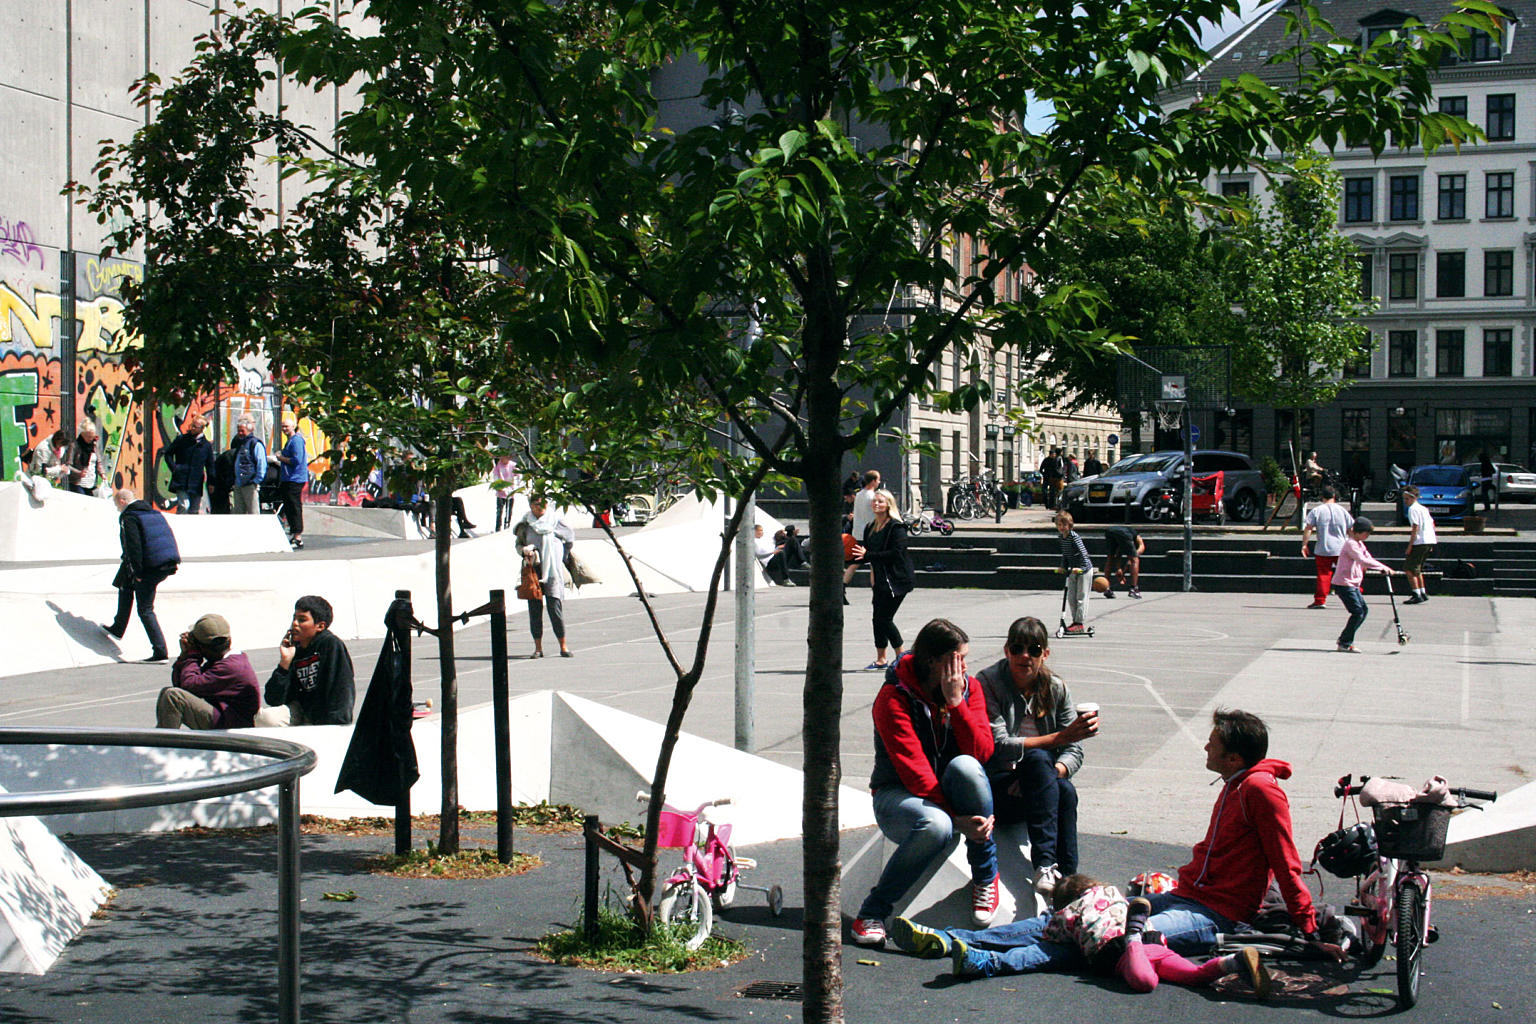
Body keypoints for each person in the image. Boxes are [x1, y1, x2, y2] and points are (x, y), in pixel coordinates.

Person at [890, 873, 1272, 998]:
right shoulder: (1112, 894)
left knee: (1143, 981)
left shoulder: (1065, 915)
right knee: (1190, 974)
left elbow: (1051, 930)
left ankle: (956, 943)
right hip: (1148, 945)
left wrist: (1060, 920)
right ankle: (1234, 962)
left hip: (1124, 949)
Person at [852, 619, 998, 946]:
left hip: (947, 789)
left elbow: (983, 753)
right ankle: (871, 913)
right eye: (958, 658)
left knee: (965, 767)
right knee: (936, 826)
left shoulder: (968, 688)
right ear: (934, 661)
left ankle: (986, 875)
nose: (965, 666)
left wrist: (957, 703)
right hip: (898, 795)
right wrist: (957, 820)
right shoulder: (893, 697)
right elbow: (913, 771)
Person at [977, 616, 1098, 895]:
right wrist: (1060, 738)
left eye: (1033, 650)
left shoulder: (1056, 688)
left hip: (1038, 786)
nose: (1024, 656)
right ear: (1007, 650)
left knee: (1063, 788)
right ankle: (1045, 863)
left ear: (1045, 654)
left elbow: (1074, 749)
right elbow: (999, 744)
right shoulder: (989, 683)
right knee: (1037, 759)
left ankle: (1069, 883)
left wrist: (1046, 777)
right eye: (1017, 648)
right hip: (998, 787)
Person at [101, 488, 180, 662]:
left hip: (149, 567)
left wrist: (137, 572)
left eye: (116, 505)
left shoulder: (129, 517)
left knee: (145, 609)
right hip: (164, 563)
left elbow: (133, 546)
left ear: (122, 501)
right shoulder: (151, 512)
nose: (117, 509)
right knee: (125, 584)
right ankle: (118, 627)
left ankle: (160, 651)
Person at [258, 595, 355, 725]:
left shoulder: (330, 645)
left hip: (324, 716)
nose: (294, 624)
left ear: (320, 626)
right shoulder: (294, 649)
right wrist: (285, 662)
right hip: (301, 711)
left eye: (302, 620)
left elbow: (341, 690)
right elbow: (273, 699)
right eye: (294, 618)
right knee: (265, 718)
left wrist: (334, 725)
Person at [156, 613, 259, 729]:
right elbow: (180, 683)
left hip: (233, 727)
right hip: (225, 718)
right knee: (168, 692)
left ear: (203, 647)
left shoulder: (230, 667)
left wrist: (191, 655)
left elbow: (189, 684)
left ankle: (166, 743)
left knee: (173, 697)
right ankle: (161, 737)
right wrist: (184, 656)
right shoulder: (222, 660)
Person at [852, 488, 914, 670]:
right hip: (880, 579)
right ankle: (881, 659)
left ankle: (902, 656)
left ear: (888, 504)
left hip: (897, 578)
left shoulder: (896, 527)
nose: (876, 504)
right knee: (877, 619)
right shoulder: (870, 527)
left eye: (881, 501)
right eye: (875, 501)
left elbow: (897, 553)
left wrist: (869, 554)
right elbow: (866, 554)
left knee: (884, 618)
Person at [1331, 516, 1399, 653]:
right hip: (1344, 583)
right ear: (1357, 532)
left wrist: (1383, 567)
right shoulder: (1350, 544)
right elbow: (1362, 560)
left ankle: (1344, 640)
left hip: (1352, 583)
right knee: (1357, 612)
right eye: (1365, 533)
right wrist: (1382, 568)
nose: (1367, 535)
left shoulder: (1359, 544)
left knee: (1363, 610)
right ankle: (1344, 642)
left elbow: (1368, 558)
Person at [516, 495, 574, 658]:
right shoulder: (525, 524)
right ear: (530, 506)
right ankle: (538, 648)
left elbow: (569, 539)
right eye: (536, 504)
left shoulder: (555, 520)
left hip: (553, 572)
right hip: (533, 571)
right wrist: (524, 551)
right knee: (534, 609)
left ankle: (563, 646)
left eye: (543, 504)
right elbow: (518, 545)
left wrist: (562, 555)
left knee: (555, 608)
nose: (539, 507)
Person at [1300, 485, 1352, 609]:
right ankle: (1353, 596)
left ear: (1322, 497)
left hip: (1323, 548)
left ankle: (1320, 600)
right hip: (1341, 548)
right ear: (1334, 496)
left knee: (1324, 574)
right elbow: (1351, 529)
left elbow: (1308, 528)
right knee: (1346, 573)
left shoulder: (1317, 511)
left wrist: (1304, 544)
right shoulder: (1342, 510)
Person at [164, 414, 214, 514]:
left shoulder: (206, 445)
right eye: (192, 425)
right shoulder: (182, 440)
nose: (192, 428)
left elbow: (210, 465)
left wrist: (211, 483)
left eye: (195, 427)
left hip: (196, 482)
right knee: (184, 506)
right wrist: (174, 468)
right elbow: (168, 454)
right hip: (181, 479)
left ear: (202, 428)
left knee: (194, 509)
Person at [272, 414, 310, 548]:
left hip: (295, 478)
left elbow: (296, 460)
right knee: (289, 506)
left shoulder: (296, 441)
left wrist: (280, 458)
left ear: (293, 427)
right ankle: (294, 533)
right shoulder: (290, 441)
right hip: (288, 478)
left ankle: (298, 536)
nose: (284, 429)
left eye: (286, 426)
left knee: (294, 506)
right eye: (282, 426)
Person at [1055, 511, 1093, 634]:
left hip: (1084, 569)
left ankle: (1079, 623)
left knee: (1081, 596)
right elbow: (1065, 554)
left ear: (1070, 525)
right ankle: (1075, 622)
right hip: (1072, 568)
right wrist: (1063, 567)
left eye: (1064, 525)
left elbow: (1083, 553)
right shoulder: (1061, 538)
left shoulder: (1074, 537)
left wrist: (1081, 568)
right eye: (1059, 525)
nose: (1062, 527)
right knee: (1071, 597)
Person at [1401, 485, 1437, 605]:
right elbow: (1432, 524)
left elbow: (1415, 527)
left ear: (1413, 498)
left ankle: (1416, 593)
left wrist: (1410, 545)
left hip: (1420, 542)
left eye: (1407, 499)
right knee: (1417, 569)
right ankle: (1422, 592)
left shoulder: (1413, 509)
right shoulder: (1423, 508)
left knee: (1408, 568)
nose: (1405, 501)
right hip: (1429, 540)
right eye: (1404, 499)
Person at [231, 415, 267, 514]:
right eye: (238, 431)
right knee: (238, 512)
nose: (240, 433)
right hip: (238, 483)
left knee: (253, 512)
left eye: (242, 431)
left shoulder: (255, 444)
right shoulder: (239, 443)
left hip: (250, 484)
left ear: (249, 430)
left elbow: (261, 464)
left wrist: (256, 481)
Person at [1102, 524, 1144, 599]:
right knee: (1135, 560)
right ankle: (1134, 588)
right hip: (1123, 532)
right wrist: (1131, 558)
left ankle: (1107, 588)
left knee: (1110, 559)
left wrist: (1119, 569)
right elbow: (1142, 546)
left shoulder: (1123, 540)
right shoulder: (1135, 535)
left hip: (1110, 531)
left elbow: (1117, 555)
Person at [68, 423, 103, 495]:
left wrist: (102, 474)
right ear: (83, 435)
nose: (90, 439)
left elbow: (98, 462)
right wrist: (78, 472)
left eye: (92, 437)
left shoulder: (94, 446)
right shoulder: (75, 445)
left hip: (91, 482)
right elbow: (68, 465)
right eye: (88, 437)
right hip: (78, 483)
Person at [492, 455, 520, 531]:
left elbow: (518, 476)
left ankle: (507, 525)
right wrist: (499, 486)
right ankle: (498, 527)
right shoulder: (498, 466)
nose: (503, 458)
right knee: (499, 510)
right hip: (501, 492)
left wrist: (516, 487)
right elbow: (495, 476)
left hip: (510, 492)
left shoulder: (513, 465)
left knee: (509, 510)